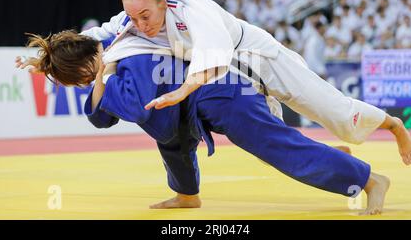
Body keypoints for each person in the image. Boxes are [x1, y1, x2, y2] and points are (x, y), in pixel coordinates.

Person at [80, 0, 411, 165]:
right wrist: (46, 54)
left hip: (264, 60)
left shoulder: (193, 10)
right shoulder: (130, 20)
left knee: (339, 115)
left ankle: (393, 125)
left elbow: (213, 55)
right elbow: (97, 35)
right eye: (133, 17)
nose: (139, 24)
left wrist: (182, 91)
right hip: (237, 78)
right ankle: (337, 158)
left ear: (164, 2)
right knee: (271, 141)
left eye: (145, 15)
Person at [20, 30, 391, 215]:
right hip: (185, 108)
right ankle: (187, 194)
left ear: (89, 61)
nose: (86, 83)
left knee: (276, 148)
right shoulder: (109, 55)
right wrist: (52, 64)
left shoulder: (129, 55)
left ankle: (368, 178)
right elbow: (100, 116)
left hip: (221, 90)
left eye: (82, 77)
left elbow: (139, 109)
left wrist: (106, 74)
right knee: (172, 142)